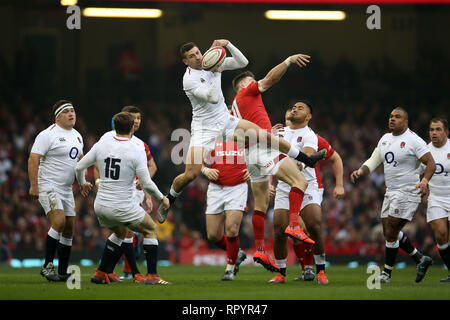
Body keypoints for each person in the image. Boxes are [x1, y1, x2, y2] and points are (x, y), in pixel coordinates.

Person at [157, 40, 325, 226]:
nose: (197, 57)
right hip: (204, 128)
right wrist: (217, 71)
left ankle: (306, 158)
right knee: (191, 174)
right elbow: (212, 98)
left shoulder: (209, 61)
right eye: (192, 56)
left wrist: (227, 45)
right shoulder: (189, 80)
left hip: (225, 119)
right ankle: (169, 199)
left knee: (265, 135)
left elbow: (242, 62)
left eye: (198, 53)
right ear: (185, 62)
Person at [229, 59, 325, 273]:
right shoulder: (248, 92)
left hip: (249, 154)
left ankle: (261, 249)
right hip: (263, 150)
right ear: (244, 85)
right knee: (299, 180)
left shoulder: (233, 108)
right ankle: (293, 224)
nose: (255, 83)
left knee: (261, 204)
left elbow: (237, 137)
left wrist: (265, 134)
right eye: (252, 81)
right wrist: (288, 61)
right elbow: (271, 78)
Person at [75, 112, 171, 285]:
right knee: (150, 229)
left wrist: (83, 183)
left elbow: (80, 166)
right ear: (131, 127)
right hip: (122, 206)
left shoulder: (103, 142)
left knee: (120, 233)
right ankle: (153, 276)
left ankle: (100, 272)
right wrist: (162, 198)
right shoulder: (136, 149)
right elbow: (146, 183)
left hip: (101, 207)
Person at [350, 107, 436, 283]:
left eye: (397, 117)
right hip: (390, 192)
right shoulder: (385, 139)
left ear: (405, 122)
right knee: (389, 232)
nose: (392, 119)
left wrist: (425, 181)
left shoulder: (414, 140)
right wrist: (360, 171)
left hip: (408, 191)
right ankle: (420, 259)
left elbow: (431, 163)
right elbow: (374, 159)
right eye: (390, 116)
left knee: (391, 231)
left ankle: (386, 274)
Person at [270, 104, 344, 284]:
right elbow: (269, 157)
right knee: (279, 229)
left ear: (309, 116)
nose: (295, 109)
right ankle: (281, 273)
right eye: (294, 107)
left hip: (307, 184)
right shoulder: (278, 133)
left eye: (300, 108)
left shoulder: (310, 135)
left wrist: (301, 165)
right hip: (285, 184)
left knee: (314, 225)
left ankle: (320, 271)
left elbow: (309, 155)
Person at [28, 100, 89, 282]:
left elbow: (80, 162)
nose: (72, 114)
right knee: (59, 221)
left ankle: (62, 271)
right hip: (49, 184)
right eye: (67, 112)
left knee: (69, 228)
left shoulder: (77, 136)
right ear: (58, 116)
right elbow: (33, 158)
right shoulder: (47, 135)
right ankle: (47, 266)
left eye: (73, 111)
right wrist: (34, 185)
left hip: (66, 188)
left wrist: (83, 181)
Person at [201, 138, 249, 280]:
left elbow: (260, 154)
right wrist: (205, 170)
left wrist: (254, 170)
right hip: (215, 189)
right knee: (213, 235)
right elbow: (194, 161)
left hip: (237, 187)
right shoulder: (209, 137)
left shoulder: (242, 135)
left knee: (232, 229)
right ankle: (237, 253)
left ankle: (230, 269)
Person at [422, 117, 450, 282]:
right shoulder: (424, 150)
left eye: (438, 129)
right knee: (441, 234)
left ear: (446, 132)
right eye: (432, 129)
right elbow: (417, 170)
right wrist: (421, 185)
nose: (434, 133)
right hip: (436, 197)